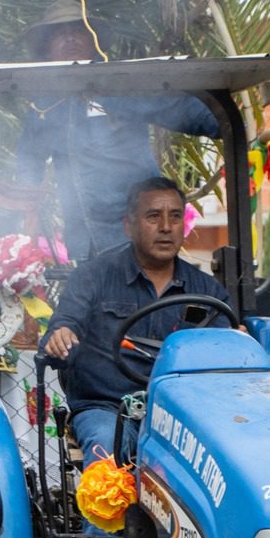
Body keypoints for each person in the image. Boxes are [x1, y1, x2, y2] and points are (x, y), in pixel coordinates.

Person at [41, 177, 229, 468]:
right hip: (106, 409)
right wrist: (61, 335)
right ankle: (100, 515)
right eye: (154, 216)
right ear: (129, 225)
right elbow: (67, 323)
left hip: (180, 415)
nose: (166, 227)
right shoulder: (93, 277)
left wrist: (235, 344)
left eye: (175, 216)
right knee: (105, 454)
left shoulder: (208, 291)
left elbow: (224, 354)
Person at [15, 0, 222, 260]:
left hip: (136, 236)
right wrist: (21, 212)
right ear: (47, 48)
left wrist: (229, 121)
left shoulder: (122, 84)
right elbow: (28, 161)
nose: (69, 38)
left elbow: (183, 110)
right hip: (83, 241)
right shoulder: (43, 107)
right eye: (58, 33)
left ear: (94, 40)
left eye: (78, 30)